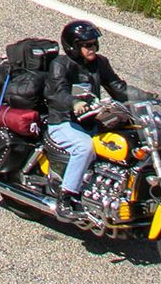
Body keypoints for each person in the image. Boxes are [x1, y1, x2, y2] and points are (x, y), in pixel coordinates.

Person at [36, 17, 131, 209]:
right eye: (86, 45)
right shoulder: (61, 65)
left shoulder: (100, 63)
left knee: (127, 139)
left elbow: (118, 88)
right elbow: (56, 93)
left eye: (94, 44)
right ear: (73, 47)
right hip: (63, 122)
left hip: (89, 121)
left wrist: (149, 97)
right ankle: (67, 195)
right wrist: (74, 102)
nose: (92, 48)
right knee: (84, 147)